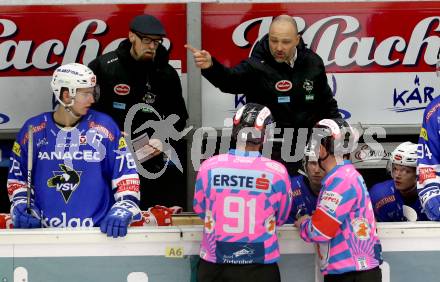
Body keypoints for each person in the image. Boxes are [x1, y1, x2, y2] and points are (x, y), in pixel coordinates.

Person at [186, 14, 340, 175]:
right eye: (274, 40)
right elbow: (228, 81)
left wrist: (339, 131)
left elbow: (327, 104)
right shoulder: (256, 65)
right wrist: (211, 67)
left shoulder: (313, 62)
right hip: (268, 153)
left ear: (297, 39)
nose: (279, 47)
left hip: (307, 150)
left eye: (286, 42)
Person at [7, 63, 141, 238]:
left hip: (98, 236)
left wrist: (124, 207)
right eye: (85, 93)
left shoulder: (105, 127)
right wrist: (22, 206)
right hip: (44, 237)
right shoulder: (33, 130)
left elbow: (126, 175)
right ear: (65, 94)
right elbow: (18, 178)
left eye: (93, 92)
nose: (92, 100)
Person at [88, 14, 189, 210]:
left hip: (150, 158)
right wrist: (110, 133)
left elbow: (178, 116)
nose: (152, 46)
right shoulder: (104, 67)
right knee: (110, 215)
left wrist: (161, 137)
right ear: (131, 36)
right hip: (110, 156)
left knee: (149, 216)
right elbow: (86, 111)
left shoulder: (166, 73)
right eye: (147, 40)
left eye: (157, 42)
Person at [193, 103, 292, 282]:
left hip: (215, 266)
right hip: (259, 267)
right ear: (266, 134)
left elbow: (200, 209)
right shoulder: (277, 172)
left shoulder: (209, 166)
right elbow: (283, 217)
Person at [294, 118, 382, 282]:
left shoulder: (340, 180)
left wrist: (304, 223)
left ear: (320, 149)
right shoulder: (345, 175)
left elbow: (320, 231)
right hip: (356, 270)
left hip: (351, 272)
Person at [370, 142, 427, 222]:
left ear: (420, 173)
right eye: (395, 169)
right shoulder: (379, 194)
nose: (397, 175)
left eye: (406, 171)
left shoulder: (434, 196)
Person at [286, 144, 325, 223]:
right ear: (305, 165)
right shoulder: (290, 187)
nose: (317, 170)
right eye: (313, 163)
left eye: (321, 163)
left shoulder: (343, 188)